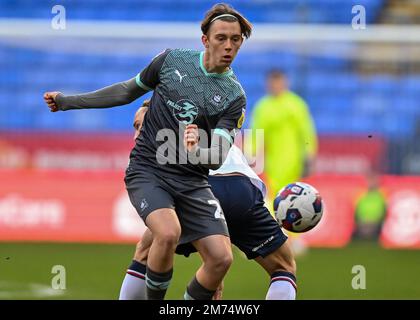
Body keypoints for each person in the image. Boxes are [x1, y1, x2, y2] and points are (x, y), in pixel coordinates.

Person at [43, 3, 252, 300]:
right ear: (205, 39)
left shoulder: (234, 96)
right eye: (221, 38)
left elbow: (216, 156)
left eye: (236, 39)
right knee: (166, 233)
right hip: (149, 171)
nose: (229, 45)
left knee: (221, 258)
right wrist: (67, 101)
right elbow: (126, 91)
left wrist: (198, 149)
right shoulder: (171, 61)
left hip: (192, 182)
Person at [119, 102, 297, 300]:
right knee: (284, 266)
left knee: (146, 251)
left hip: (198, 188)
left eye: (139, 127)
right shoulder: (204, 116)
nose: (137, 134)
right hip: (241, 190)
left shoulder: (162, 135)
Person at [249, 69, 318, 203]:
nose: (275, 85)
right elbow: (255, 135)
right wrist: (250, 156)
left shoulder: (296, 104)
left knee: (294, 197)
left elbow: (307, 132)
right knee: (276, 197)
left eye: (278, 81)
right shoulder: (263, 107)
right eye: (272, 82)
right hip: (273, 164)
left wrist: (310, 153)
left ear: (285, 82)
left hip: (295, 162)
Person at [353, 170, 387, 241]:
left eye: (373, 180)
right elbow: (356, 212)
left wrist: (373, 221)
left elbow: (383, 213)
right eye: (370, 180)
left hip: (375, 225)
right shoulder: (361, 195)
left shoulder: (382, 195)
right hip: (362, 224)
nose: (371, 183)